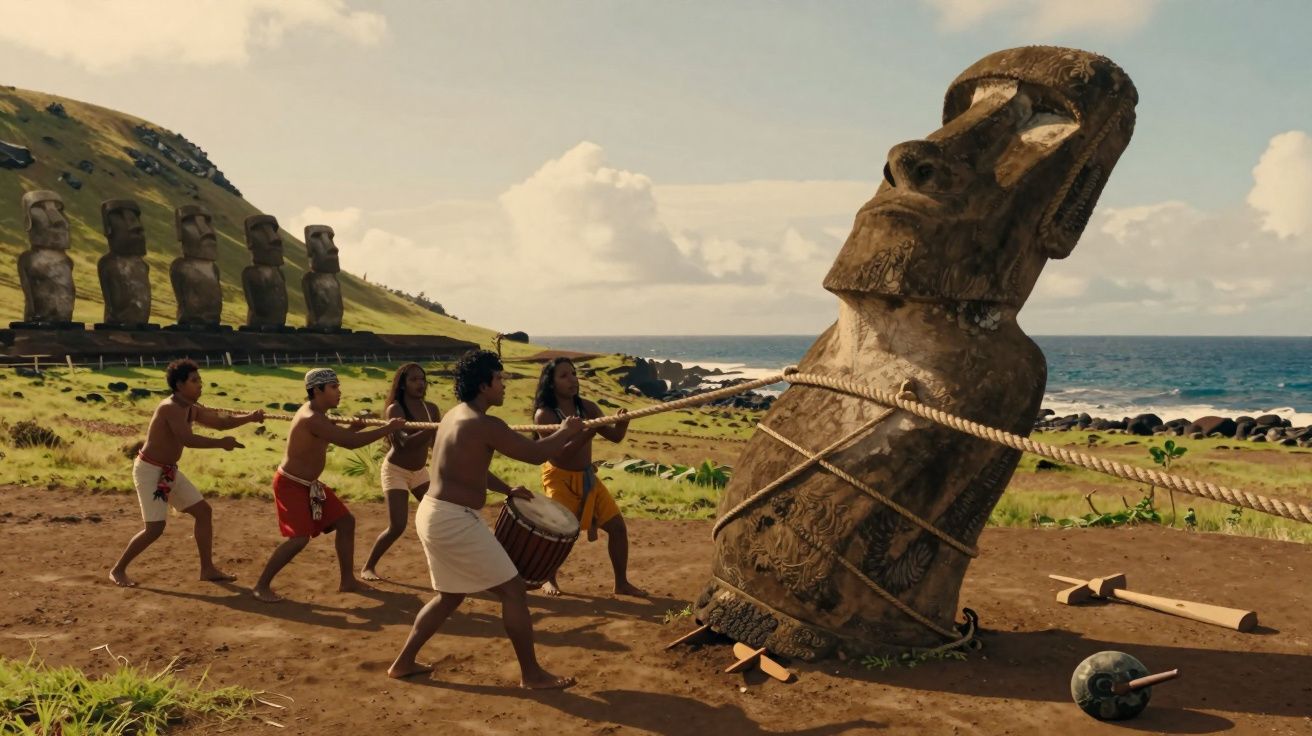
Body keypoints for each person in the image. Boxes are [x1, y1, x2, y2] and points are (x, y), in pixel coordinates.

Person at [388, 350, 583, 690]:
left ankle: (403, 664)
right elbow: (535, 454)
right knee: (513, 591)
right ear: (483, 385)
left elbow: (466, 466)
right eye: (499, 379)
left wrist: (506, 488)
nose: (504, 385)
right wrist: (566, 430)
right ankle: (532, 675)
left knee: (449, 596)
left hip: (434, 512)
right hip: (452, 519)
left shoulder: (454, 415)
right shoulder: (485, 424)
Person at [251, 368, 405, 603]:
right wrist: (388, 428)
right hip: (291, 484)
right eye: (334, 387)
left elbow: (333, 439)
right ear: (317, 390)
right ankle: (261, 586)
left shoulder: (319, 416)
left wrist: (352, 429)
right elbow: (350, 443)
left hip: (310, 485)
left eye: (338, 386)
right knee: (299, 539)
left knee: (346, 522)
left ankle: (347, 581)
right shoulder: (311, 417)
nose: (339, 392)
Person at [109, 359, 263, 587]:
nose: (200, 384)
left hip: (168, 471)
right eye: (194, 380)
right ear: (179, 385)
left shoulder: (190, 407)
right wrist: (221, 443)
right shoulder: (170, 407)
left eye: (200, 380)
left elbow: (220, 423)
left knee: (203, 512)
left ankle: (207, 569)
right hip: (149, 471)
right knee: (155, 529)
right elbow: (187, 439)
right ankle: (118, 570)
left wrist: (250, 418)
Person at [533, 357, 645, 597]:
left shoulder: (588, 407)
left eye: (573, 373)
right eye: (564, 375)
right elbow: (561, 454)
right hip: (559, 478)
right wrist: (589, 431)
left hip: (587, 478)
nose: (572, 379)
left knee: (617, 528)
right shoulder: (544, 415)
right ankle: (548, 579)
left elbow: (615, 437)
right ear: (551, 383)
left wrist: (623, 424)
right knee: (557, 533)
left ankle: (621, 583)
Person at [361, 363, 439, 581]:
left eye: (422, 379)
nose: (420, 383)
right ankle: (368, 567)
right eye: (414, 380)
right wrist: (432, 427)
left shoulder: (431, 409)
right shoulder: (395, 409)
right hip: (396, 471)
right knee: (397, 526)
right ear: (403, 384)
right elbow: (403, 444)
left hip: (420, 472)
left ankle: (451, 567)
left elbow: (436, 443)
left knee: (440, 517)